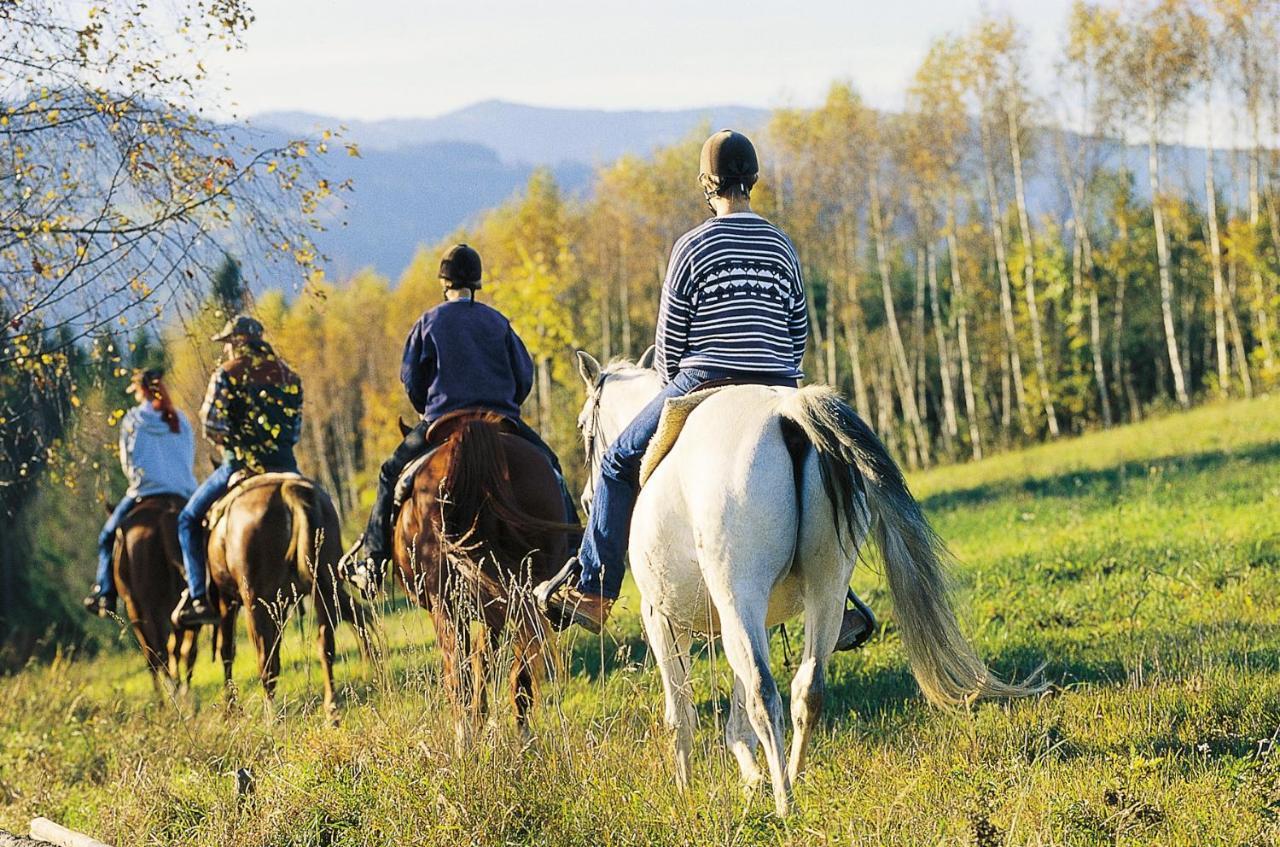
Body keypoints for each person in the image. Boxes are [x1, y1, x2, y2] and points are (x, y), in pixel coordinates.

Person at [535, 129, 876, 649]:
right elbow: (798, 331)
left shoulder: (693, 246)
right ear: (754, 180)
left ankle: (595, 590)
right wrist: (776, 374)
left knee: (616, 462)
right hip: (779, 388)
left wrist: (677, 381)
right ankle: (840, 598)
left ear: (705, 184)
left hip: (704, 381)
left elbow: (669, 344)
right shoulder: (781, 244)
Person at [339, 243, 578, 594]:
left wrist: (425, 407)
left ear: (443, 283)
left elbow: (411, 379)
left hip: (443, 421)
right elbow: (524, 375)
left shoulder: (428, 322)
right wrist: (506, 404)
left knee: (390, 473)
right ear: (476, 285)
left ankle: (373, 562)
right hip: (500, 419)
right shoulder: (498, 322)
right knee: (552, 469)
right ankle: (575, 561)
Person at [171, 315, 303, 627]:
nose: (228, 350)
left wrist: (231, 445)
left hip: (240, 464)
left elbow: (211, 424)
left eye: (230, 343)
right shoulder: (289, 375)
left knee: (188, 519)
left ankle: (198, 596)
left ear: (239, 342)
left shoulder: (227, 373)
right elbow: (294, 431)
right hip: (286, 465)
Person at [82, 369, 198, 617]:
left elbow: (128, 460)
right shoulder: (179, 419)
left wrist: (140, 479)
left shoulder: (133, 419)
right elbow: (190, 453)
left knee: (107, 537)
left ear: (140, 390)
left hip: (143, 492)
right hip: (182, 492)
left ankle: (105, 592)